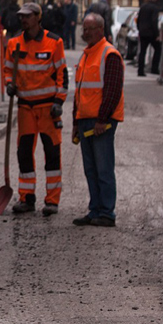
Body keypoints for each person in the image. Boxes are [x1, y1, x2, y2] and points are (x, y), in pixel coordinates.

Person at [3, 3, 68, 216]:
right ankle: (27, 198)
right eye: (21, 16)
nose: (23, 20)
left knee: (51, 154)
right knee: (24, 153)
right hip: (25, 108)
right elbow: (7, 69)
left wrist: (59, 101)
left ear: (38, 18)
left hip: (48, 108)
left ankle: (52, 201)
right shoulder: (14, 43)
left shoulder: (54, 42)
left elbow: (62, 74)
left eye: (28, 16)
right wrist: (9, 84)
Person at [71, 14, 124, 227]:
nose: (85, 33)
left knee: (103, 169)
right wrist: (76, 121)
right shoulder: (86, 55)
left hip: (101, 122)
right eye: (84, 29)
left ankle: (106, 213)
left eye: (90, 29)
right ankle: (95, 210)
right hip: (85, 120)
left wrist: (102, 120)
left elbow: (112, 90)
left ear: (101, 29)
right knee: (91, 169)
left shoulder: (109, 54)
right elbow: (80, 92)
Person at [136, 0, 162, 77]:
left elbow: (138, 19)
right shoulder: (155, 8)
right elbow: (154, 21)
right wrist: (157, 34)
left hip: (143, 32)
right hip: (151, 33)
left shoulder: (143, 6)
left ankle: (140, 70)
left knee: (142, 51)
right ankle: (154, 68)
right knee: (158, 49)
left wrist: (139, 29)